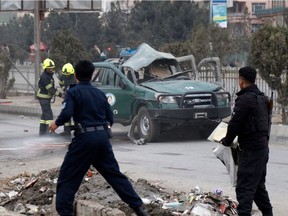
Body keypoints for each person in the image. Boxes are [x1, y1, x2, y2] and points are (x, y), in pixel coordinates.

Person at [48, 60, 149, 216]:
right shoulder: (99, 94)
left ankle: (65, 211)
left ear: (76, 75)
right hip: (102, 140)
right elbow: (110, 118)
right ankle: (139, 207)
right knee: (114, 175)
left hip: (84, 140)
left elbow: (67, 113)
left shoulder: (73, 92)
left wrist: (56, 124)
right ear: (92, 75)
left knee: (67, 178)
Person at [221, 66, 273, 216]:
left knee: (244, 189)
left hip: (251, 151)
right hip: (262, 150)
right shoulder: (263, 98)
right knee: (257, 187)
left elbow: (234, 124)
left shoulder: (244, 100)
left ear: (241, 81)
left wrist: (226, 141)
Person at [37, 58, 62, 136]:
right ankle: (50, 132)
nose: (51, 69)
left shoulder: (47, 75)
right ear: (45, 68)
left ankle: (42, 132)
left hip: (44, 97)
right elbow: (50, 89)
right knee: (48, 114)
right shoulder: (45, 77)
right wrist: (60, 95)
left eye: (52, 68)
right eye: (49, 68)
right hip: (44, 97)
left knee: (44, 115)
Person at [58, 63, 77, 137]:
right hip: (67, 97)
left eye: (67, 75)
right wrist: (64, 89)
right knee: (66, 114)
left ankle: (77, 131)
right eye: (65, 75)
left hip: (74, 98)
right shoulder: (63, 76)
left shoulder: (75, 77)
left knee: (76, 115)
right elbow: (60, 83)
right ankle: (66, 131)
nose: (66, 76)